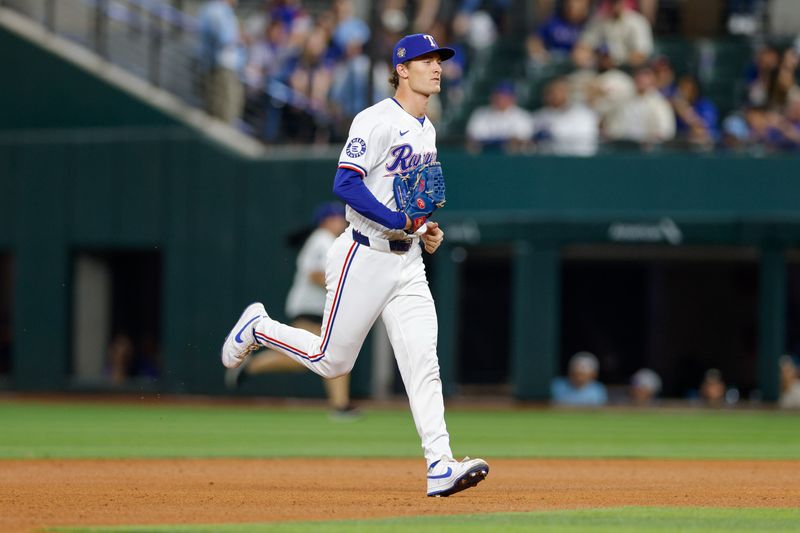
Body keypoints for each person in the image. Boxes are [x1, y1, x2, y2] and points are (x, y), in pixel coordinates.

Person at [220, 33, 489, 497]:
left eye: (439, 60)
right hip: (363, 253)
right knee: (332, 362)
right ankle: (260, 327)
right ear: (402, 69)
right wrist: (397, 220)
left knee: (424, 362)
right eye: (426, 60)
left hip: (406, 263)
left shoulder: (428, 128)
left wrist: (423, 228)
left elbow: (411, 198)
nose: (437, 67)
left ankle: (439, 464)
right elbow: (346, 183)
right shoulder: (376, 119)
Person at [225, 203, 357, 418]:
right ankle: (252, 363)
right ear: (325, 220)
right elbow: (315, 275)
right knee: (314, 355)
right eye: (336, 217)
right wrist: (347, 290)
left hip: (320, 307)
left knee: (323, 356)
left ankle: (340, 405)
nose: (341, 221)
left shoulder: (329, 241)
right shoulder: (321, 239)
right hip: (309, 306)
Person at [197, 0, 245, 124]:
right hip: (220, 66)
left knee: (229, 108)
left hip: (227, 67)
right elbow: (223, 38)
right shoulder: (216, 11)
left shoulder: (225, 11)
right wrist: (239, 39)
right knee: (222, 110)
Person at [603, 64, 675, 146]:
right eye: (639, 75)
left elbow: (665, 131)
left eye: (646, 75)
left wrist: (652, 139)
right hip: (620, 146)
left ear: (653, 79)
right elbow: (610, 125)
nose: (641, 79)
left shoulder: (660, 103)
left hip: (646, 150)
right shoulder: (623, 99)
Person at [573, 0, 653, 69]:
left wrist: (615, 60)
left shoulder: (637, 22)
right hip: (597, 70)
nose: (614, 5)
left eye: (617, 2)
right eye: (611, 2)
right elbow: (581, 50)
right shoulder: (599, 21)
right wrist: (597, 59)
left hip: (626, 73)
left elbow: (641, 56)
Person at [530, 77, 598, 156]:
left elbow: (586, 144)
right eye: (549, 93)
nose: (552, 96)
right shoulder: (540, 116)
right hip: (548, 161)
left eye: (556, 92)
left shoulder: (583, 115)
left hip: (577, 160)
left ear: (567, 93)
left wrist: (553, 137)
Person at [465, 81, 533, 153]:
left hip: (514, 159)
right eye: (497, 95)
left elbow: (521, 141)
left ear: (512, 98)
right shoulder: (480, 114)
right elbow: (473, 139)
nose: (500, 99)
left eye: (504, 96)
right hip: (484, 156)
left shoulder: (522, 116)